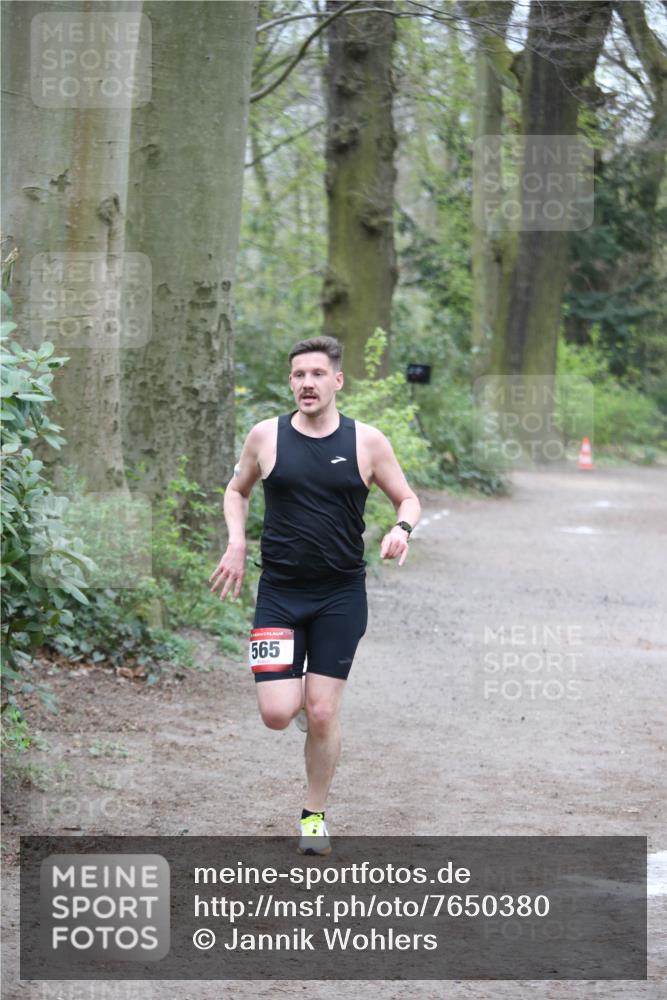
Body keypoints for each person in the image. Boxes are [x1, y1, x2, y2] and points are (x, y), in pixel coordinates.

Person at [209, 335, 421, 855]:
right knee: (277, 714)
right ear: (290, 382)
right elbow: (236, 490)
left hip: (339, 596)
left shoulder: (367, 442)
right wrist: (236, 542)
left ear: (337, 381)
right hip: (279, 593)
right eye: (299, 375)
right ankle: (302, 701)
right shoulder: (266, 436)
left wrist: (401, 529)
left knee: (323, 713)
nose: (308, 383)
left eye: (318, 374)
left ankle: (313, 817)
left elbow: (408, 498)